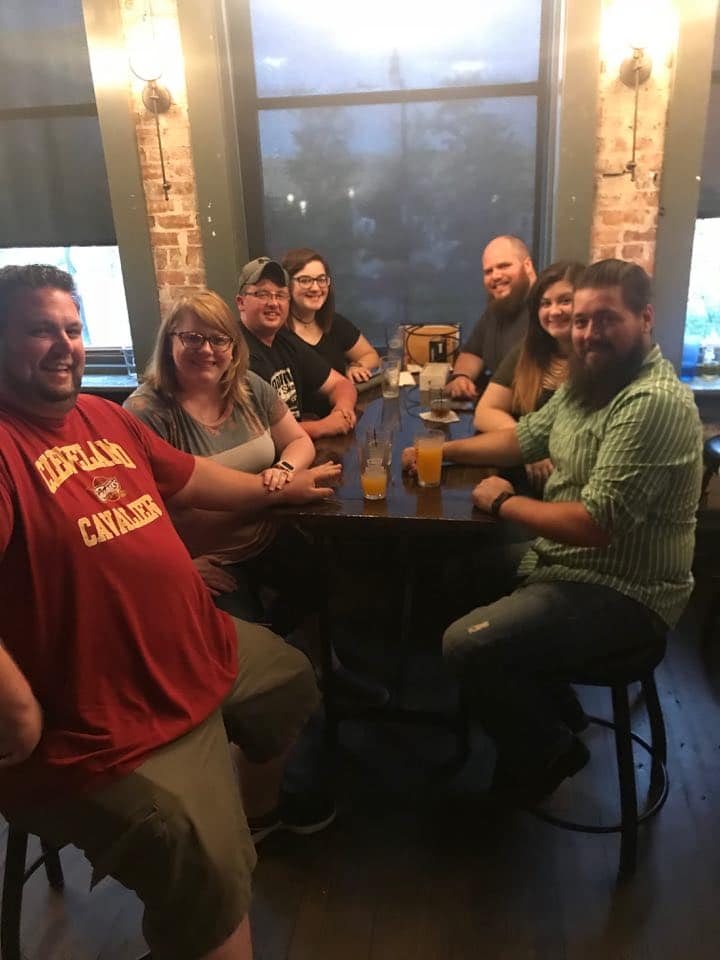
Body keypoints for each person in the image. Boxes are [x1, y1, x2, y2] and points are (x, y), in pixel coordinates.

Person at [0, 264, 343, 960]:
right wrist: (16, 705)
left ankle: (255, 817)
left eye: (73, 329)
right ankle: (217, 870)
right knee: (204, 866)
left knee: (291, 678)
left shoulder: (101, 418)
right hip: (102, 711)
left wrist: (279, 489)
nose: (64, 345)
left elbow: (197, 480)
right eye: (40, 330)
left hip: (196, 644)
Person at [404, 259, 703, 803]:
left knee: (463, 645)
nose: (587, 333)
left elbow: (595, 524)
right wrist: (443, 452)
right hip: (563, 560)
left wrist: (506, 502)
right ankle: (553, 704)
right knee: (452, 574)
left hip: (626, 590)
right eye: (581, 321)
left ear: (645, 318)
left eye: (606, 319)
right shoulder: (590, 382)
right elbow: (523, 439)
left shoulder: (651, 401)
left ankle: (548, 750)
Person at [123, 289, 315, 625]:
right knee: (248, 637)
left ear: (233, 346)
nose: (207, 350)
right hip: (207, 560)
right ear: (169, 342)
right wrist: (178, 566)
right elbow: (131, 513)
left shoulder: (249, 386)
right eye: (193, 338)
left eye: (218, 339)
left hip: (267, 537)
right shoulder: (144, 412)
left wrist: (285, 469)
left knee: (331, 585)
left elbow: (299, 440)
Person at [473, 260, 585, 491]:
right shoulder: (528, 351)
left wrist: (531, 447)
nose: (554, 311)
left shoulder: (597, 359)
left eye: (565, 300)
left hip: (572, 487)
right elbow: (485, 412)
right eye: (545, 303)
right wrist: (528, 449)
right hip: (522, 479)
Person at [236, 257, 358, 439]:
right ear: (241, 302)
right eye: (262, 294)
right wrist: (323, 426)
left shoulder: (285, 341)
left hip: (300, 447)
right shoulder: (235, 352)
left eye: (280, 295)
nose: (273, 303)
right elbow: (259, 435)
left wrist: (343, 409)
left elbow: (340, 384)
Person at [445, 235, 536, 401]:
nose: (495, 276)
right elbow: (473, 352)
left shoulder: (547, 310)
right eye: (488, 271)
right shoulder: (498, 306)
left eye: (504, 266)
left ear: (527, 265)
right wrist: (462, 377)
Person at [282, 247, 380, 390]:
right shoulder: (279, 333)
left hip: (345, 401)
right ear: (287, 284)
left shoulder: (333, 322)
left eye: (321, 280)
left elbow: (370, 355)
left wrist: (356, 367)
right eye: (305, 280)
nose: (316, 288)